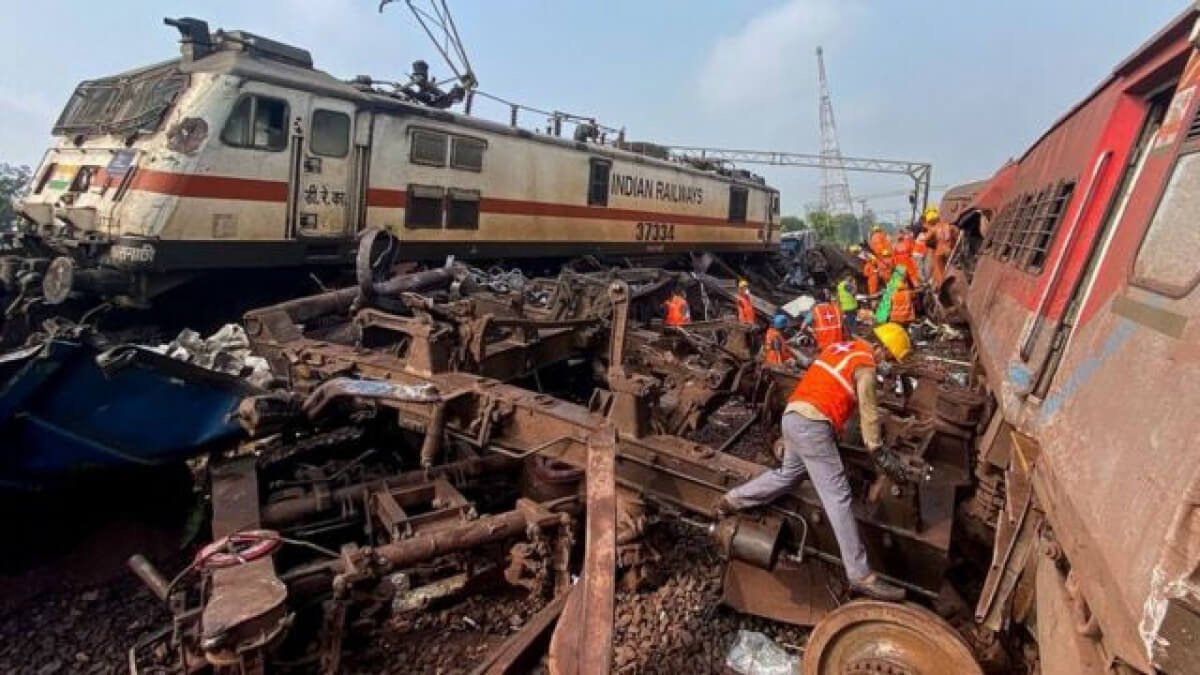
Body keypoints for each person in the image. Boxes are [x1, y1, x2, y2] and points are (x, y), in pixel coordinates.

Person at [715, 324, 916, 602]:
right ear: (880, 348)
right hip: (813, 425)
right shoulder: (866, 366)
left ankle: (733, 499)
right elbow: (870, 417)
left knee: (788, 475)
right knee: (839, 497)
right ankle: (860, 575)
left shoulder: (838, 348)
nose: (886, 365)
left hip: (793, 416)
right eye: (889, 359)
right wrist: (879, 452)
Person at [926, 207, 958, 286]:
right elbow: (956, 234)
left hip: (939, 252)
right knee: (950, 268)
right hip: (949, 251)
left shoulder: (933, 229)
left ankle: (941, 285)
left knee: (939, 271)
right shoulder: (949, 226)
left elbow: (927, 239)